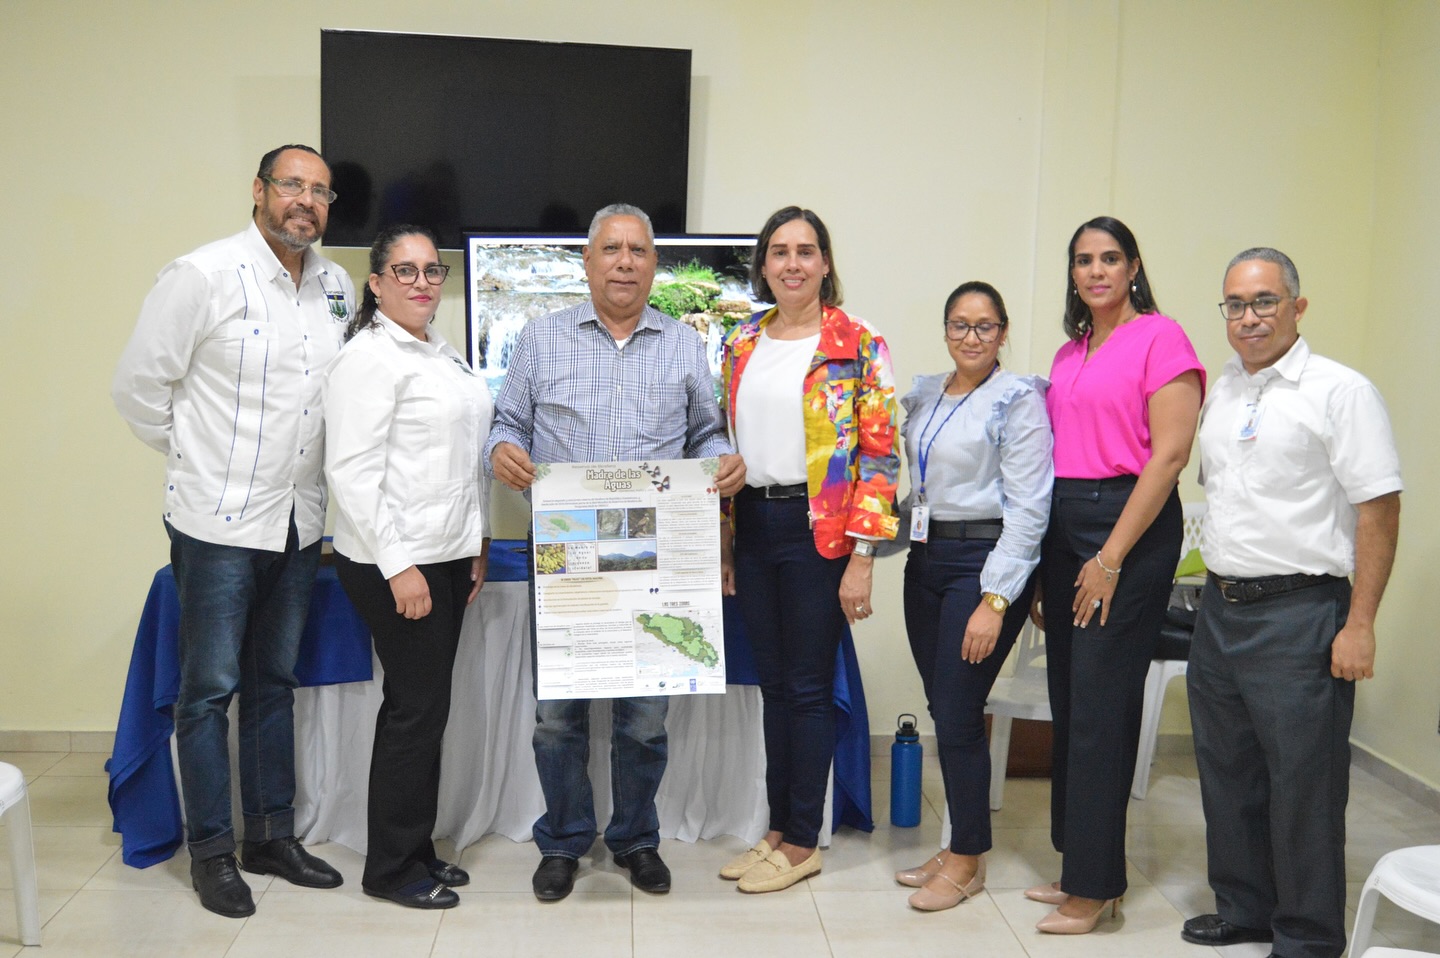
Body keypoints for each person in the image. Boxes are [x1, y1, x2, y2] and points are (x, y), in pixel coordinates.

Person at [111, 144, 350, 917]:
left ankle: (271, 837)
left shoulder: (336, 287)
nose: (305, 202)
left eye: (320, 192)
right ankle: (212, 853)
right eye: (292, 186)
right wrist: (201, 463)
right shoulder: (202, 275)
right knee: (208, 691)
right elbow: (139, 387)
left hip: (299, 520)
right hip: (215, 523)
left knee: (273, 683)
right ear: (259, 190)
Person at [485, 203, 745, 902]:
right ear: (588, 261)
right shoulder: (541, 338)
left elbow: (705, 433)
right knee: (557, 714)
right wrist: (502, 450)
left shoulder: (683, 344)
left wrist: (722, 458)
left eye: (638, 250)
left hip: (657, 556)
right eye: (611, 249)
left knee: (645, 717)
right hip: (567, 552)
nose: (625, 262)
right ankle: (564, 840)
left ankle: (634, 838)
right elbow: (506, 423)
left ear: (654, 264)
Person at [1180, 248, 1401, 958]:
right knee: (1228, 772)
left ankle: (1307, 936)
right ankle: (1245, 908)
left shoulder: (1341, 391)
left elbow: (1378, 509)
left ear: (1297, 307)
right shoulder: (1224, 392)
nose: (1248, 318)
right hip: (1221, 609)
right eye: (1235, 305)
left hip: (1301, 613)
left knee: (1305, 785)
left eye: (1264, 301)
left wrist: (1360, 622)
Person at [1029, 216, 1205, 934]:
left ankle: (1097, 886)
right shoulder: (1069, 351)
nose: (1095, 271)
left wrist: (1109, 559)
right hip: (1066, 522)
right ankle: (1078, 861)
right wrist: (1048, 569)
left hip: (1128, 526)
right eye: (1083, 261)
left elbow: (1169, 457)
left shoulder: (1161, 338)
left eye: (1109, 259)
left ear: (1133, 267)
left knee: (1102, 709)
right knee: (1072, 702)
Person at [716, 206, 900, 894]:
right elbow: (723, 446)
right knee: (773, 687)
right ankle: (776, 828)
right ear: (763, 265)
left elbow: (880, 455)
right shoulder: (740, 342)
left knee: (808, 687)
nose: (792, 263)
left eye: (805, 250)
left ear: (824, 263)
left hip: (820, 531)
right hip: (754, 524)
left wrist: (863, 557)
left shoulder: (858, 342)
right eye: (779, 251)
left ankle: (801, 841)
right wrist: (726, 541)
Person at [325, 225, 493, 910]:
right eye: (405, 270)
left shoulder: (437, 351)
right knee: (415, 712)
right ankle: (390, 870)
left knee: (424, 709)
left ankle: (415, 849)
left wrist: (477, 540)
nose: (422, 282)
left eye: (431, 271)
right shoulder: (368, 358)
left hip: (446, 553)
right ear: (376, 283)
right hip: (396, 559)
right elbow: (351, 472)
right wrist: (399, 568)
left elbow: (462, 459)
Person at [892, 282, 1052, 911]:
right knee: (943, 708)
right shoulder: (929, 393)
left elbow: (1030, 509)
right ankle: (958, 843)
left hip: (982, 564)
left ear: (1003, 332)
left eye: (985, 326)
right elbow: (919, 490)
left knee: (959, 710)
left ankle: (969, 860)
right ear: (945, 330)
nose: (971, 337)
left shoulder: (1018, 400)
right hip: (926, 559)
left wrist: (996, 599)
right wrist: (863, 546)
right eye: (959, 325)